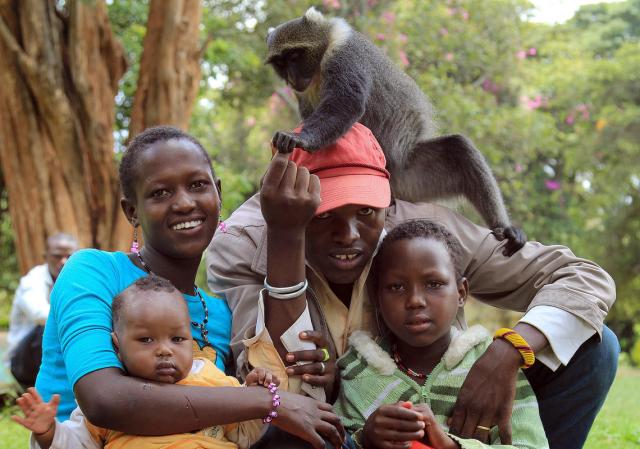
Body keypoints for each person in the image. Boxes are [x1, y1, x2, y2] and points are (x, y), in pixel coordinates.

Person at [206, 122, 619, 449]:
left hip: (445, 420)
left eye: (366, 210)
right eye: (324, 214)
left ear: (387, 202)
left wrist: (509, 350)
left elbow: (583, 278)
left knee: (596, 349)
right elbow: (275, 384)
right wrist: (286, 237)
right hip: (330, 429)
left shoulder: (425, 234)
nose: (348, 234)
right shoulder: (244, 245)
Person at [34, 126, 344, 449]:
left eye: (197, 185)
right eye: (160, 193)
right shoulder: (93, 272)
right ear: (132, 212)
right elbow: (103, 399)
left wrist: (316, 372)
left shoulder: (219, 312)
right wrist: (268, 403)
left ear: (219, 194)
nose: (184, 203)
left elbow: (226, 417)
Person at [333, 219, 549, 449]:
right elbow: (336, 440)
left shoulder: (492, 369)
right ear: (377, 299)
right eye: (397, 287)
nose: (415, 300)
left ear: (461, 293)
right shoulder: (359, 371)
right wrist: (365, 439)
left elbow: (531, 445)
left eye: (434, 284)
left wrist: (451, 445)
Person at [14, 274, 277, 449]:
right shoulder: (114, 399)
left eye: (177, 339)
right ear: (117, 346)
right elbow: (78, 444)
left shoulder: (213, 380)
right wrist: (49, 433)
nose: (165, 350)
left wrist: (254, 396)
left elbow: (244, 434)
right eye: (146, 340)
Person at [6, 233, 78, 387]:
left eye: (69, 256)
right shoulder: (32, 280)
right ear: (45, 256)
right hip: (23, 361)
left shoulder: (77, 279)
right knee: (48, 327)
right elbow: (39, 314)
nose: (63, 261)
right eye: (57, 256)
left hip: (51, 354)